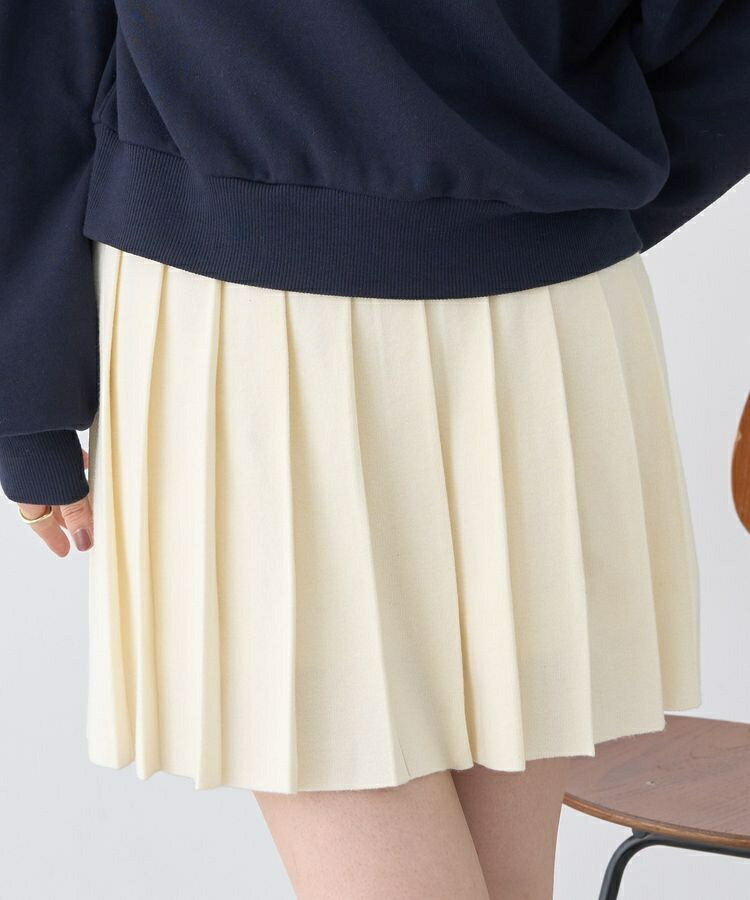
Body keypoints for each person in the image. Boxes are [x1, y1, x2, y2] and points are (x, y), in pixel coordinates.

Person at [1, 2, 748, 897]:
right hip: (528, 312)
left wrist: (27, 397)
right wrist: (566, 185)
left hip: (248, 317)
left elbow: (38, 49)